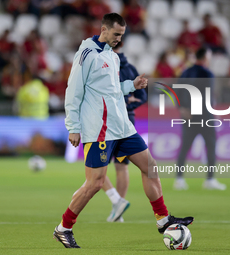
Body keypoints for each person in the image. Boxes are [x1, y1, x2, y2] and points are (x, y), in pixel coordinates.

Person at [53, 13, 194, 249]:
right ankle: (63, 228)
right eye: (116, 34)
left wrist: (131, 85)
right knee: (95, 183)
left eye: (122, 35)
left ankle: (163, 220)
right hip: (99, 130)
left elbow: (110, 90)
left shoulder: (112, 55)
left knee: (150, 166)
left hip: (122, 127)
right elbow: (73, 91)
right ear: (104, 29)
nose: (119, 39)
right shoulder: (87, 53)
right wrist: (74, 127)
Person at [101, 41, 147, 222]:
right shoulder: (131, 68)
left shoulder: (103, 63)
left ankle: (116, 201)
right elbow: (143, 95)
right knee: (121, 167)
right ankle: (118, 211)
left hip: (107, 122)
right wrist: (130, 103)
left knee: (96, 167)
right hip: (128, 120)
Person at [174, 47, 226, 191]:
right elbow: (206, 97)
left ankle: (179, 179)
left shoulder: (185, 72)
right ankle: (210, 179)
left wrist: (183, 108)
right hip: (204, 116)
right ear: (205, 58)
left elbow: (176, 92)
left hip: (188, 116)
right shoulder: (207, 74)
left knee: (185, 146)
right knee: (211, 145)